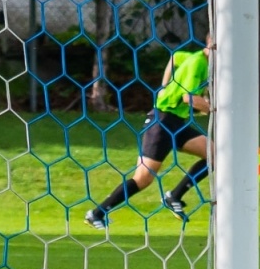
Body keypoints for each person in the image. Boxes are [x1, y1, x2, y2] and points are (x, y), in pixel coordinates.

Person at [85, 35, 212, 229]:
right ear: (212, 44)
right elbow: (189, 98)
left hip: (176, 122)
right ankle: (96, 214)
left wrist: (164, 86)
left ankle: (174, 196)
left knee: (214, 155)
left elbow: (174, 57)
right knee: (143, 179)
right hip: (162, 122)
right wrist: (213, 109)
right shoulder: (198, 63)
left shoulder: (194, 57)